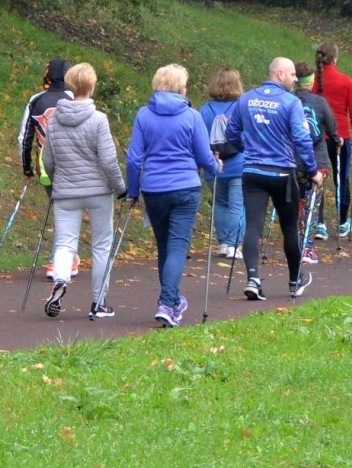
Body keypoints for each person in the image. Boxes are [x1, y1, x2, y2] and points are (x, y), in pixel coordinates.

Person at [223, 58, 327, 298]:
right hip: (282, 173)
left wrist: (246, 148)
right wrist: (312, 171)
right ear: (280, 73)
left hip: (253, 172)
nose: (295, 79)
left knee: (253, 226)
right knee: (290, 228)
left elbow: (231, 133)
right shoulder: (290, 102)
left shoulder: (246, 98)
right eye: (292, 74)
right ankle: (294, 279)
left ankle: (253, 278)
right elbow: (302, 139)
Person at [126, 64, 217, 325]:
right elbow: (203, 155)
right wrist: (215, 167)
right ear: (180, 88)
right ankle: (167, 303)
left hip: (153, 188)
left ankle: (173, 301)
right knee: (177, 246)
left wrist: (133, 191)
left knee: (164, 246)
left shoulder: (144, 115)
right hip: (185, 187)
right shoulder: (192, 116)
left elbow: (134, 159)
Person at [40, 63, 125, 320]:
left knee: (65, 243)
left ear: (68, 85)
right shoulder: (99, 119)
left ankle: (61, 279)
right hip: (98, 191)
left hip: (66, 191)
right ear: (92, 86)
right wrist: (120, 188)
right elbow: (108, 161)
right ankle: (99, 302)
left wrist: (58, 183)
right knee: (101, 245)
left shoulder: (54, 120)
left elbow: (48, 159)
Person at [17, 59, 76, 279]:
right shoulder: (76, 99)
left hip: (45, 170)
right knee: (66, 212)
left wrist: (27, 167)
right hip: (74, 168)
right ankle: (57, 262)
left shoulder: (36, 101)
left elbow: (25, 138)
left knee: (61, 209)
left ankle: (68, 256)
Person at [314, 43, 352, 237]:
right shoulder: (345, 81)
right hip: (341, 137)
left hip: (318, 137)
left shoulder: (313, 83)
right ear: (335, 58)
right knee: (341, 178)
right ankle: (343, 221)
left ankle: (319, 223)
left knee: (317, 179)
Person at [293, 62, 340, 253]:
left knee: (299, 201)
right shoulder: (319, 102)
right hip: (317, 160)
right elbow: (331, 126)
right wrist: (337, 141)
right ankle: (308, 247)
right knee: (313, 202)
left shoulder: (288, 100)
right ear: (311, 81)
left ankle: (298, 242)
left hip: (293, 161)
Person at [199, 68, 245, 260]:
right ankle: (235, 245)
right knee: (238, 205)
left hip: (213, 165)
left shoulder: (204, 110)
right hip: (238, 164)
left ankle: (224, 243)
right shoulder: (241, 107)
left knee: (220, 203)